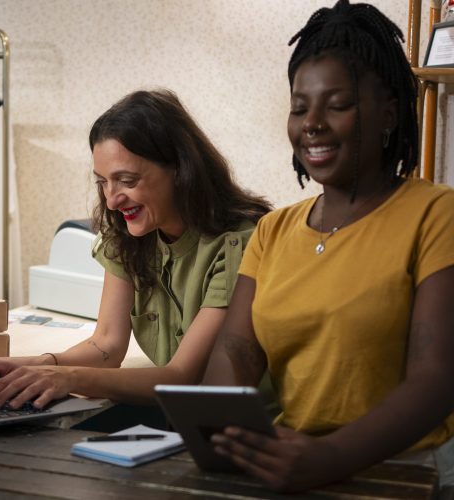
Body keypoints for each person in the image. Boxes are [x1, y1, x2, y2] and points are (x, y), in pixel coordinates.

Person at [203, 0, 454, 492]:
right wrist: (220, 432)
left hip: (411, 472)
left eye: (337, 105)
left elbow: (437, 378)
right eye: (300, 107)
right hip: (300, 468)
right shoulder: (273, 231)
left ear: (388, 115)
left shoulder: (436, 215)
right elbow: (235, 352)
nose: (311, 123)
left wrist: (332, 456)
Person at [0, 89, 271, 409]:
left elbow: (184, 376)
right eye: (103, 182)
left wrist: (67, 377)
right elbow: (106, 344)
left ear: (180, 169)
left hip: (243, 429)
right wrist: (38, 365)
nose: (111, 199)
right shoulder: (131, 237)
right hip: (183, 419)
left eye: (127, 180)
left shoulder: (239, 245)